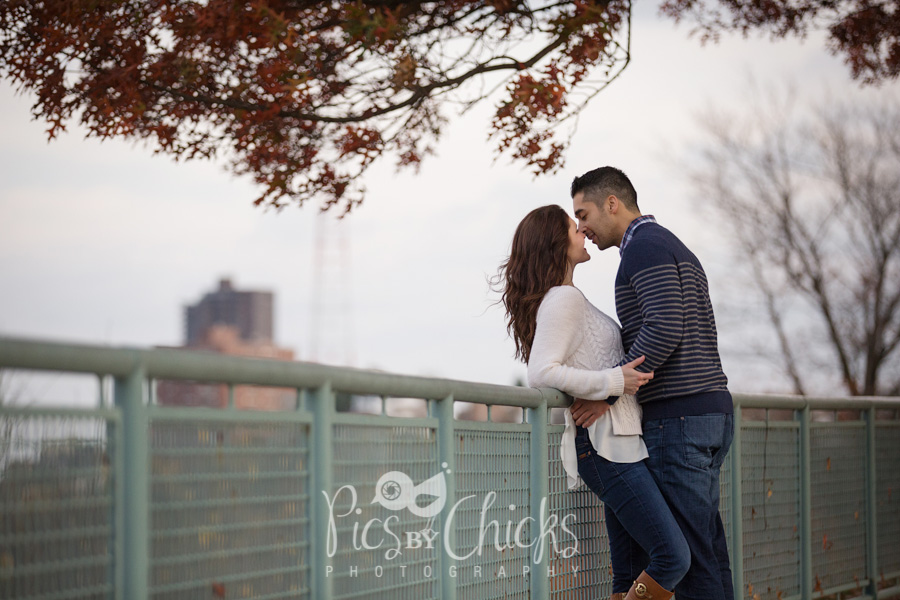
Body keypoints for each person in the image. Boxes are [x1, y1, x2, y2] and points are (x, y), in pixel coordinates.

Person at [497, 204, 690, 600]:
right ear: (555, 242)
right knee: (672, 557)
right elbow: (541, 373)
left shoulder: (568, 298)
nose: (583, 231)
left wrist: (609, 387)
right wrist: (613, 381)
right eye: (573, 227)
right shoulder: (563, 299)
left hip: (617, 444)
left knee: (628, 574)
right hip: (604, 449)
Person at [570, 167, 735, 600]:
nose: (581, 228)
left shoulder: (643, 248)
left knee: (692, 563)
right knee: (708, 549)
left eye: (583, 213)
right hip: (708, 411)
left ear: (612, 203)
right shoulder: (670, 245)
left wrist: (609, 389)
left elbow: (663, 327)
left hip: (679, 418)